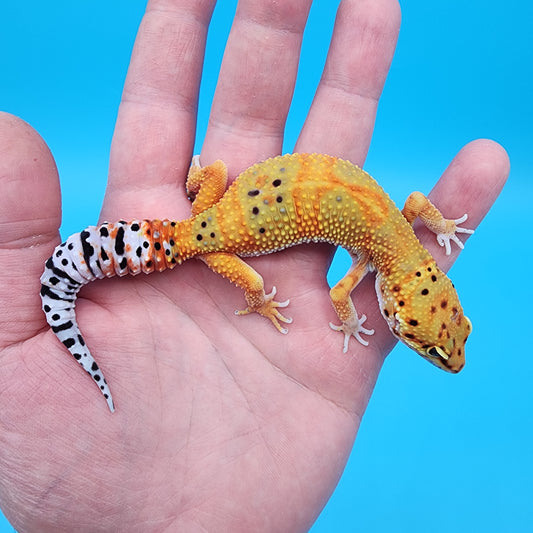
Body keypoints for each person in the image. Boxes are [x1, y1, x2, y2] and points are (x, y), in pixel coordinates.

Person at [0, 1, 508, 531]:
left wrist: (440, 222)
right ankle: (253, 296)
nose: (446, 352)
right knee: (258, 285)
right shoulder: (381, 261)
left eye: (445, 338)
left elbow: (417, 201)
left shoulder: (406, 231)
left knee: (214, 174)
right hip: (217, 242)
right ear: (399, 309)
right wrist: (282, 306)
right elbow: (340, 298)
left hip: (215, 204)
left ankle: (183, 199)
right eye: (433, 341)